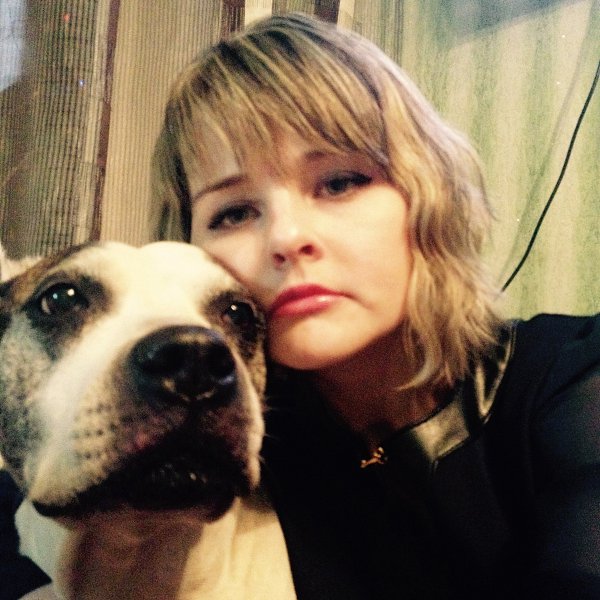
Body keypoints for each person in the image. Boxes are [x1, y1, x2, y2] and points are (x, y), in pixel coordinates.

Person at [3, 11, 599, 600]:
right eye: (234, 212)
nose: (286, 238)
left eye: (339, 182)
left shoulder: (572, 384)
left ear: (428, 195)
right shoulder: (232, 427)